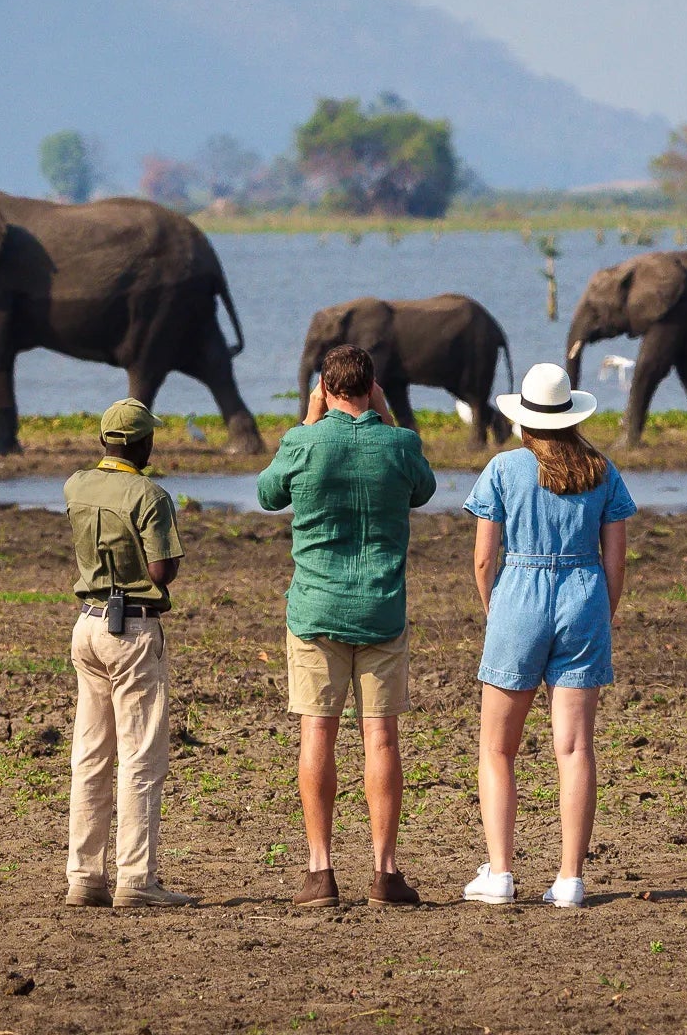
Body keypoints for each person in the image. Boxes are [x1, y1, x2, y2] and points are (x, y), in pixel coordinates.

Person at [257, 344, 438, 908]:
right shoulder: (400, 443)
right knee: (380, 737)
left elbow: (267, 494)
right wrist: (387, 419)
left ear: (324, 387)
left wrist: (309, 422)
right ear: (373, 386)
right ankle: (384, 872)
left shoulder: (303, 441)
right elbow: (424, 489)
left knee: (318, 733)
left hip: (316, 609)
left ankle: (320, 870)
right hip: (380, 607)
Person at [461, 363, 634, 909]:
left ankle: (501, 872)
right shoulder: (602, 470)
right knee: (576, 746)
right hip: (584, 594)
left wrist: (497, 610)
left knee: (497, 747)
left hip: (519, 596)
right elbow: (616, 563)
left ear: (525, 421)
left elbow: (485, 558)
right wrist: (601, 614)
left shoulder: (504, 468)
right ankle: (569, 879)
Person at [61, 398, 196, 909]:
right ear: (143, 443)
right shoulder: (150, 494)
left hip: (88, 624)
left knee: (90, 756)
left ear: (103, 441)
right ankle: (136, 879)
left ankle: (84, 878)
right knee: (140, 757)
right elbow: (162, 572)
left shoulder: (76, 485)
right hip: (134, 629)